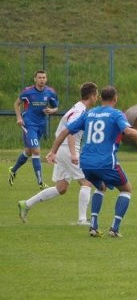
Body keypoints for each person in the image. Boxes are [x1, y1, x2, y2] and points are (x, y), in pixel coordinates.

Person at [46, 85, 137, 238]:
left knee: (100, 187)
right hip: (106, 162)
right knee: (126, 189)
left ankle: (94, 225)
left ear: (100, 98)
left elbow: (66, 131)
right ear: (115, 98)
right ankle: (114, 229)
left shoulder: (89, 114)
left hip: (86, 163)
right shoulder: (116, 114)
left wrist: (53, 151)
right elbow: (128, 131)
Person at [18, 82, 99, 225]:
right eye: (96, 95)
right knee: (86, 182)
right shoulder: (79, 111)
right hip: (68, 149)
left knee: (61, 188)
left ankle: (26, 204)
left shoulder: (79, 108)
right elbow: (70, 132)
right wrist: (74, 154)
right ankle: (82, 220)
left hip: (63, 149)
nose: (97, 98)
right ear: (92, 96)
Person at [9, 70, 59, 189]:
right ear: (35, 79)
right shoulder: (28, 91)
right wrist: (19, 117)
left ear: (46, 79)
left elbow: (55, 107)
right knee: (36, 151)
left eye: (44, 77)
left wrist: (52, 111)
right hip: (29, 124)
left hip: (41, 124)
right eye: (39, 77)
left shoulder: (50, 92)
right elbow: (16, 104)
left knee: (29, 151)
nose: (41, 79)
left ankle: (13, 170)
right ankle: (41, 182)